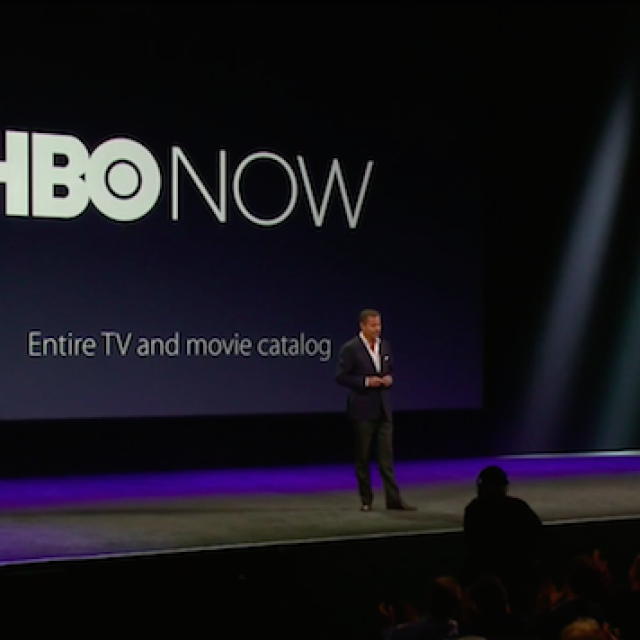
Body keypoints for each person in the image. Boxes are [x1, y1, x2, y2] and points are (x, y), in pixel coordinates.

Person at [336, 309, 416, 511]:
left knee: (386, 457)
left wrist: (389, 379)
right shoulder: (351, 348)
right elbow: (341, 376)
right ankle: (366, 500)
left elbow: (390, 369)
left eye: (379, 325)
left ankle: (393, 500)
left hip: (383, 409)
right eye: (373, 325)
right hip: (362, 409)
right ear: (362, 326)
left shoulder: (384, 345)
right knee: (363, 457)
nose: (377, 329)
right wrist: (366, 381)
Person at [463, 465, 543, 614]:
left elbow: (470, 540)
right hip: (516, 571)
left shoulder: (473, 509)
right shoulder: (518, 507)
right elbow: (537, 531)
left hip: (484, 570)